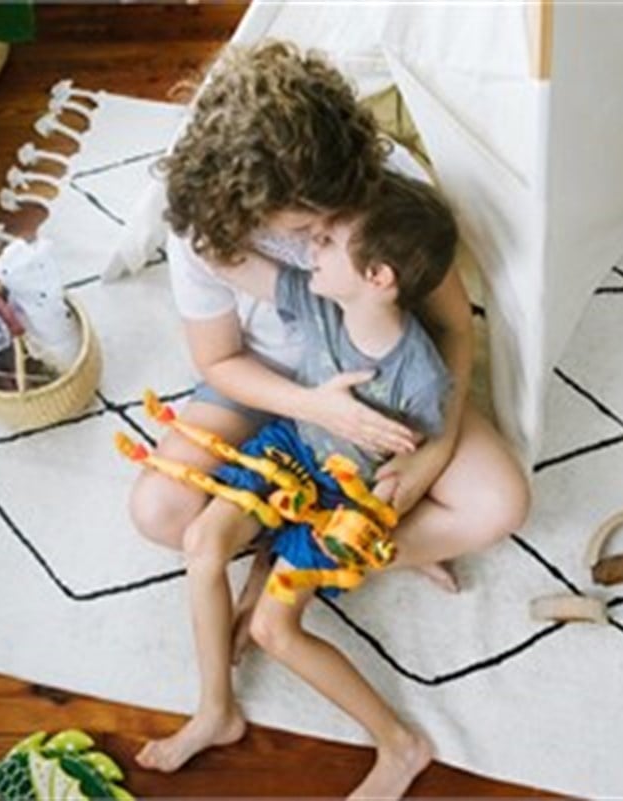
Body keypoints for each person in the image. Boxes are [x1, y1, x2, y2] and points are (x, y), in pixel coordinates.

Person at [130, 41, 528, 597]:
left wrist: (432, 456)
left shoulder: (380, 187)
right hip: (268, 378)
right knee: (158, 511)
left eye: (333, 222)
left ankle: (317, 552)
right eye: (302, 229)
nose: (321, 235)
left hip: (379, 386)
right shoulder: (204, 227)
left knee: (499, 505)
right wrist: (315, 407)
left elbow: (454, 326)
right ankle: (314, 531)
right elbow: (219, 359)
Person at [137, 172, 454, 801]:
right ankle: (215, 711)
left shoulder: (420, 378)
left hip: (342, 500)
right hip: (290, 450)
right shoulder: (316, 299)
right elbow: (226, 259)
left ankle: (400, 743)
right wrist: (194, 191)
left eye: (328, 241)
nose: (311, 245)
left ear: (378, 277)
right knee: (202, 542)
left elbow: (415, 462)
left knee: (273, 631)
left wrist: (381, 527)